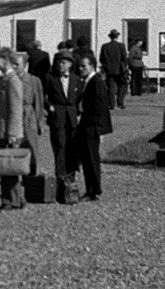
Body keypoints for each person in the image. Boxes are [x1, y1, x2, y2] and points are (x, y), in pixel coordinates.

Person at [71, 54, 112, 200]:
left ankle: (94, 190)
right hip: (86, 122)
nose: (81, 68)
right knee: (86, 158)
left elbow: (100, 106)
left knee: (91, 158)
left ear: (92, 66)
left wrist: (98, 128)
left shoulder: (96, 81)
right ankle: (91, 189)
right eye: (80, 66)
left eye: (84, 66)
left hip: (91, 125)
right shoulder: (88, 81)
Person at [42, 53, 81, 199]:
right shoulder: (50, 78)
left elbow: (79, 98)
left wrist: (78, 111)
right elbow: (41, 95)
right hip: (57, 116)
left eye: (64, 63)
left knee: (72, 148)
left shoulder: (76, 80)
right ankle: (60, 181)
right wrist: (49, 107)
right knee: (60, 147)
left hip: (71, 117)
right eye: (59, 63)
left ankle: (71, 180)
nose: (61, 65)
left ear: (70, 64)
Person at [0, 47, 26, 210]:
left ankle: (10, 200)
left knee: (9, 166)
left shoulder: (13, 81)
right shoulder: (3, 79)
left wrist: (13, 133)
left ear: (5, 61)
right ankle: (15, 199)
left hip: (9, 132)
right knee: (6, 166)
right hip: (2, 130)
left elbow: (16, 109)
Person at [15, 51, 49, 197]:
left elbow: (39, 103)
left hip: (29, 115)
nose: (15, 67)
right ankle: (16, 176)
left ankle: (31, 176)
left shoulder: (34, 81)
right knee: (16, 146)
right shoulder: (9, 79)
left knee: (31, 145)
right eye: (14, 64)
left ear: (25, 65)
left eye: (18, 64)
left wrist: (40, 121)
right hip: (14, 116)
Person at [98, 29, 130, 110]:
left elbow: (101, 59)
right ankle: (120, 102)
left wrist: (105, 67)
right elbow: (124, 58)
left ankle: (112, 104)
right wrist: (125, 66)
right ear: (117, 36)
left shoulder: (105, 46)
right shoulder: (121, 46)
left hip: (109, 69)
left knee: (111, 87)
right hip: (120, 69)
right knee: (122, 85)